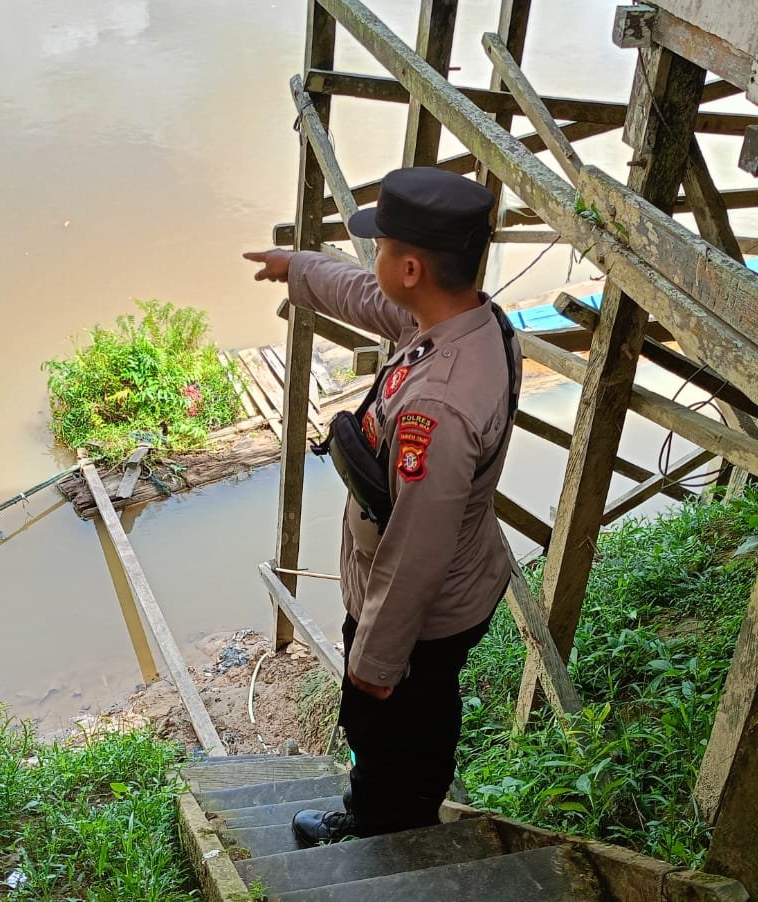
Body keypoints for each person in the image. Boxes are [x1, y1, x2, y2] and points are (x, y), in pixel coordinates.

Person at [243, 167, 522, 847]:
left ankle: (381, 827)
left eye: (381, 248)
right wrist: (298, 269)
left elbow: (416, 552)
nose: (373, 260)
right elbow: (370, 296)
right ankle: (407, 807)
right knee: (423, 715)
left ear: (411, 268)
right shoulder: (467, 321)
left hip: (422, 613)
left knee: (388, 724)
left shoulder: (439, 407)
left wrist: (373, 663)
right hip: (458, 583)